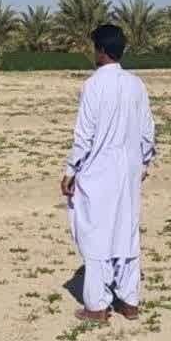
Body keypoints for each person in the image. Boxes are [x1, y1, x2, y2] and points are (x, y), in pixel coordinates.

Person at [62, 24, 156, 322]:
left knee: (96, 234)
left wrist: (70, 170)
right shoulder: (136, 84)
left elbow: (84, 135)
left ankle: (97, 305)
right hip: (127, 170)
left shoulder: (93, 86)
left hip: (98, 171)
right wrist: (143, 163)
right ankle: (130, 301)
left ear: (101, 51)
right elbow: (147, 131)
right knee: (126, 230)